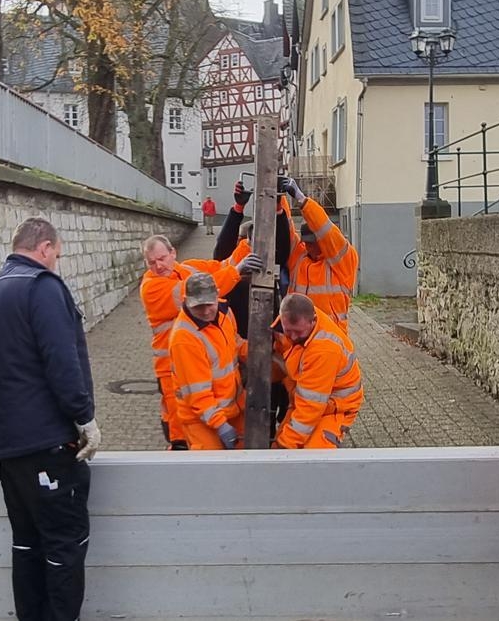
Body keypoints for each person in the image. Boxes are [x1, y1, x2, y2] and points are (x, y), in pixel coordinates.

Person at [0, 217, 102, 621]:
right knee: (65, 544)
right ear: (44, 247)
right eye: (57, 256)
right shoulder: (41, 287)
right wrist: (84, 418)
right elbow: (62, 362)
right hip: (47, 444)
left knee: (27, 545)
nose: (57, 264)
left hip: (8, 447)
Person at [140, 235, 260, 449]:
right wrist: (236, 271)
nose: (158, 266)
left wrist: (247, 244)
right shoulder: (151, 288)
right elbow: (212, 284)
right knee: (180, 435)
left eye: (162, 258)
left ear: (173, 254)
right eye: (152, 262)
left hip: (204, 370)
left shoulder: (189, 269)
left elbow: (222, 266)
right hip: (173, 370)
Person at [272, 293, 364, 449]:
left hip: (335, 408)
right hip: (306, 398)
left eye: (298, 332)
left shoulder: (324, 350)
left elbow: (310, 408)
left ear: (313, 320)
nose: (292, 337)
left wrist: (285, 446)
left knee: (314, 460)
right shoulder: (293, 322)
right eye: (288, 331)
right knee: (283, 443)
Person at [168, 273, 247, 450]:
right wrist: (220, 425)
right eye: (198, 306)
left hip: (232, 410)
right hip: (202, 420)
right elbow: (198, 394)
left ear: (217, 295)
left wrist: (259, 350)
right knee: (211, 472)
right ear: (185, 300)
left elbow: (235, 343)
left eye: (209, 304)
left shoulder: (225, 314)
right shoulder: (184, 338)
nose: (205, 311)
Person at [212, 180, 292, 338]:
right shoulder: (234, 254)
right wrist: (237, 209)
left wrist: (277, 207)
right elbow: (221, 250)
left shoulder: (269, 254)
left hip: (260, 317)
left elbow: (283, 251)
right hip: (237, 314)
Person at [280, 177, 359, 333]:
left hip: (331, 337)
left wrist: (302, 200)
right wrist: (280, 197)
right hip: (300, 336)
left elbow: (326, 230)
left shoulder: (343, 261)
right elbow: (287, 226)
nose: (310, 247)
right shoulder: (299, 257)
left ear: (322, 241)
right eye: (307, 242)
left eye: (314, 242)